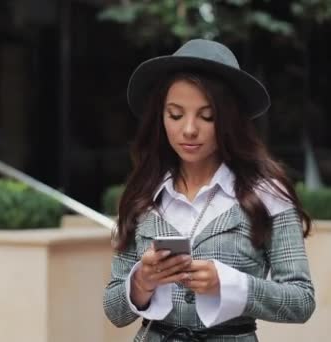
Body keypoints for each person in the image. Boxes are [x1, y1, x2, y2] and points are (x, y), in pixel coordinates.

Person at [103, 39, 315, 342]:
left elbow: (301, 300)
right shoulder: (144, 193)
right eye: (175, 115)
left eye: (207, 116)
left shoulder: (267, 194)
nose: (189, 129)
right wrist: (142, 281)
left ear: (230, 120)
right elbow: (114, 310)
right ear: (161, 117)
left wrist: (228, 284)